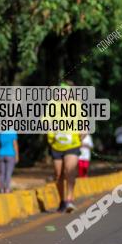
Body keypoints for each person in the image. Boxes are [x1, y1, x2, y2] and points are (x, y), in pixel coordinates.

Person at [46, 83, 84, 213]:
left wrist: (82, 134)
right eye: (60, 93)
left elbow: (84, 124)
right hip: (56, 145)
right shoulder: (52, 105)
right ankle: (62, 200)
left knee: (69, 171)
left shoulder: (77, 106)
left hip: (73, 144)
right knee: (58, 175)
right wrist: (52, 132)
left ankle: (69, 200)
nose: (62, 95)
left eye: (65, 93)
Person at [0, 129, 19, 193]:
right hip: (10, 154)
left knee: (2, 173)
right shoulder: (12, 132)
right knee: (8, 173)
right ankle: (7, 189)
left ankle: (1, 189)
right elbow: (15, 144)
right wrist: (17, 156)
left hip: (1, 154)